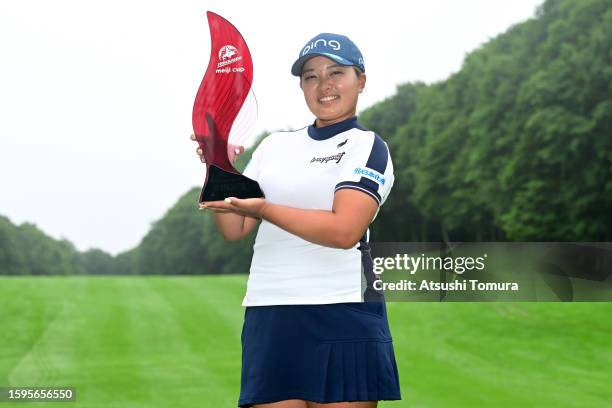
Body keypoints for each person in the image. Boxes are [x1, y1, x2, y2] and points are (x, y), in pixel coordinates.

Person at [191, 33, 401, 408]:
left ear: (361, 81)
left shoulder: (368, 146)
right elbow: (234, 228)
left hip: (343, 310)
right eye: (311, 76)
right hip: (270, 312)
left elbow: (343, 231)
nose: (324, 85)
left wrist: (265, 209)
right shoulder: (273, 146)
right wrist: (217, 163)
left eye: (336, 72)